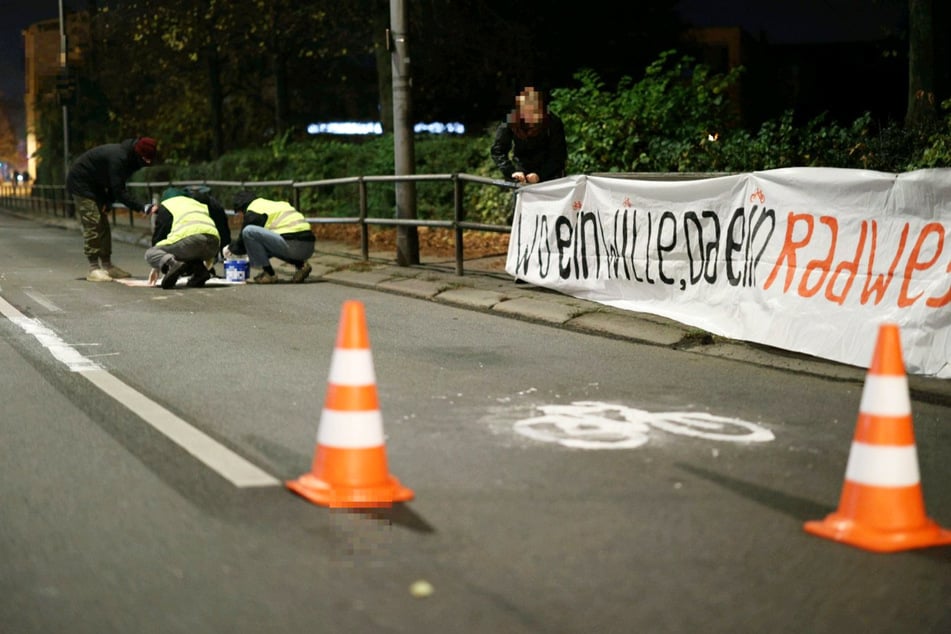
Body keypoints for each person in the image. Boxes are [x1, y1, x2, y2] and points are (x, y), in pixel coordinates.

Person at [66, 136, 158, 282]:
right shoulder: (119, 158)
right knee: (93, 223)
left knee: (103, 224)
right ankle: (94, 267)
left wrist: (107, 202)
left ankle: (107, 265)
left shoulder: (133, 159)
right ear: (138, 153)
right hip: (81, 183)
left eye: (149, 160)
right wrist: (143, 207)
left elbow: (114, 183)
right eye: (145, 159)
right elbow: (119, 192)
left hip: (97, 185)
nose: (147, 163)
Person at [224, 191, 315, 284]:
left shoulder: (253, 212)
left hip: (293, 244)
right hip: (308, 246)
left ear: (241, 208)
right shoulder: (268, 205)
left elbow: (242, 244)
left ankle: (269, 274)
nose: (240, 217)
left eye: (239, 214)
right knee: (262, 245)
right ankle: (302, 266)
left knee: (248, 231)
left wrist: (230, 249)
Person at [144, 187, 220, 289]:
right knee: (188, 251)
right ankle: (200, 272)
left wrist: (158, 262)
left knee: (150, 253)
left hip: (192, 241)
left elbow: (160, 235)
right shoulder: (196, 204)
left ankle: (173, 264)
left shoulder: (167, 205)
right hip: (213, 245)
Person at [490, 85, 567, 186]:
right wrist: (512, 172)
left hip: (550, 177)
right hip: (521, 175)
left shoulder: (552, 122)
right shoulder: (511, 120)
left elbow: (559, 155)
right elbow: (498, 150)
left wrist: (540, 175)